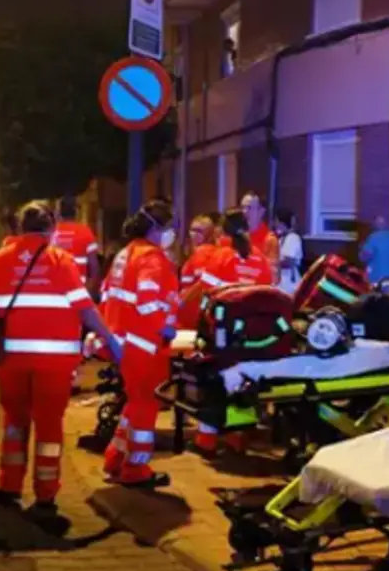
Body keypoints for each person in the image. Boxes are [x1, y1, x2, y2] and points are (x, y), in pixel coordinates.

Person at [0, 200, 124, 510]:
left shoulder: (1, 259)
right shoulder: (60, 261)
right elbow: (85, 309)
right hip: (54, 363)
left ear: (20, 227)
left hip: (11, 359)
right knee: (49, 428)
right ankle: (45, 495)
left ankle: (9, 487)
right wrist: (110, 341)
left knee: (14, 423)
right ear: (51, 229)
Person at [97, 198, 178, 488]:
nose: (171, 233)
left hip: (124, 341)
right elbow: (148, 302)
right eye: (169, 227)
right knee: (145, 404)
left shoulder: (125, 254)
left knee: (134, 402)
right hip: (144, 344)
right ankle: (136, 468)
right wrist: (165, 330)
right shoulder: (152, 259)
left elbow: (106, 293)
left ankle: (115, 457)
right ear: (156, 228)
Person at [194, 209, 273, 455]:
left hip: (222, 333)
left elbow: (206, 296)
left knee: (213, 379)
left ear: (222, 231)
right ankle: (237, 436)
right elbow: (266, 294)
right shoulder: (259, 259)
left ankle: (206, 440)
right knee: (245, 381)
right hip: (252, 336)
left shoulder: (220, 258)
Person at [176, 215, 220, 329]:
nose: (194, 234)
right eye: (192, 230)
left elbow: (203, 284)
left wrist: (182, 300)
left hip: (193, 316)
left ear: (209, 234)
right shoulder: (194, 253)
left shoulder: (204, 252)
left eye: (199, 231)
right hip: (190, 317)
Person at [52, 196, 101, 296]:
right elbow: (94, 266)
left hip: (54, 290)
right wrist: (89, 290)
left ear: (58, 213)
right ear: (76, 212)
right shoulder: (85, 231)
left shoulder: (51, 232)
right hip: (78, 289)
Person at [241, 191, 279, 277]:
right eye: (242, 207)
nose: (244, 212)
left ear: (261, 211)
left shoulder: (270, 240)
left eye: (249, 208)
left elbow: (274, 277)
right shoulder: (239, 237)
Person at [359, 215, 389, 283]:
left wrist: (362, 248)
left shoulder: (374, 237)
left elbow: (365, 256)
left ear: (375, 224)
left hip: (377, 280)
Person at [273, 208, 303, 295]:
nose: (274, 224)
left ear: (282, 222)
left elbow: (288, 261)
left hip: (288, 286)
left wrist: (270, 263)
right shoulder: (281, 239)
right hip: (280, 285)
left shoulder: (292, 238)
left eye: (276, 221)